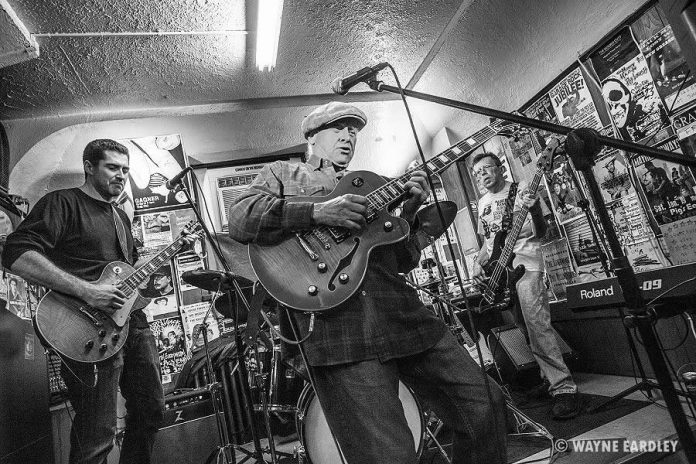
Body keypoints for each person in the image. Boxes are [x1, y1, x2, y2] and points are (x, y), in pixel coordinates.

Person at [227, 101, 507, 464]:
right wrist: (318, 210)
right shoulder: (283, 173)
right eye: (339, 129)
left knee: (485, 403)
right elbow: (240, 217)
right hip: (339, 330)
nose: (348, 137)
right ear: (312, 136)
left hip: (401, 313)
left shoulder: (370, 183)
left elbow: (402, 259)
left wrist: (409, 213)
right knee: (388, 455)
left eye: (354, 132)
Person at [2, 139, 193, 464]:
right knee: (96, 438)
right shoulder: (62, 203)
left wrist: (147, 288)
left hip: (132, 328)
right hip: (85, 331)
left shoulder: (120, 216)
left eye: (125, 170)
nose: (121, 176)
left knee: (151, 412)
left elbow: (126, 279)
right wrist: (88, 291)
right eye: (113, 168)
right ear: (89, 167)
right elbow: (15, 253)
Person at [471, 151, 580, 419]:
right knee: (524, 327)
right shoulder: (482, 203)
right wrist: (477, 264)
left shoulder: (522, 191)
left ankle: (564, 388)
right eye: (477, 173)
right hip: (502, 274)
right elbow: (487, 244)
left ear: (500, 169)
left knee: (536, 324)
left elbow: (541, 231)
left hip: (528, 266)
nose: (482, 175)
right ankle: (548, 378)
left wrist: (532, 209)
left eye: (486, 169)